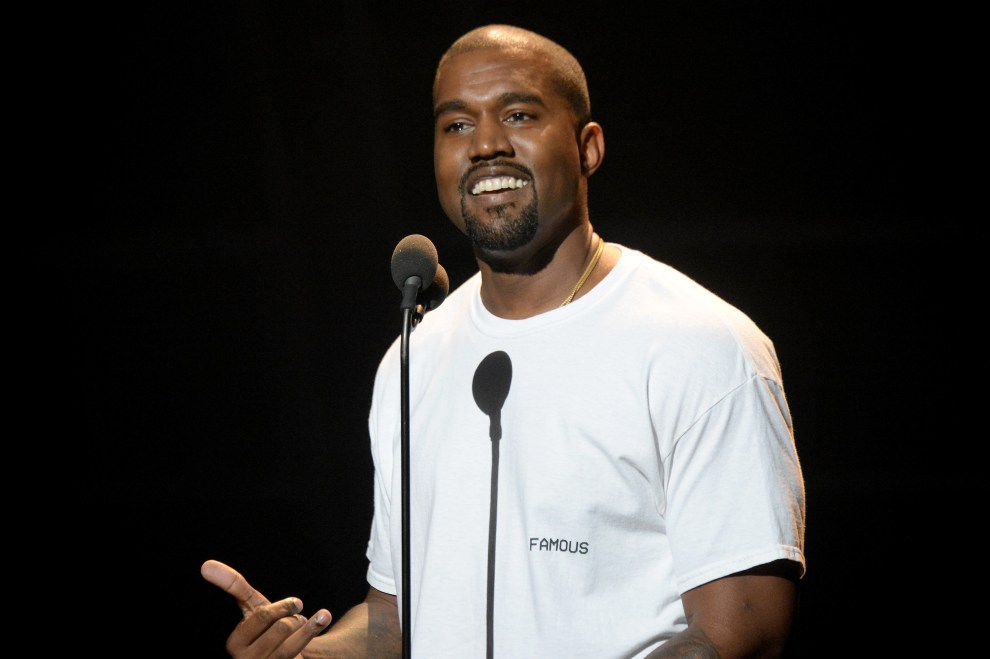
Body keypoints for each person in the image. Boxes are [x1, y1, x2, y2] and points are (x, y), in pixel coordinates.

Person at [202, 23, 806, 658]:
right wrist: (306, 656)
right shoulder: (416, 356)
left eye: (518, 114)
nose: (486, 144)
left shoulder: (700, 345)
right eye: (456, 125)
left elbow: (739, 634)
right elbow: (397, 619)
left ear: (588, 147)